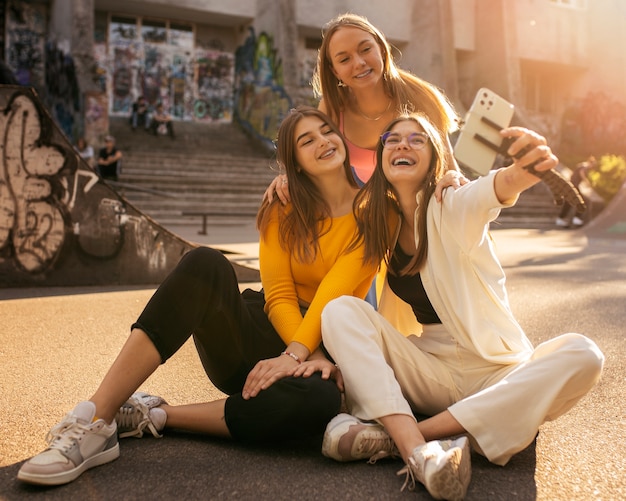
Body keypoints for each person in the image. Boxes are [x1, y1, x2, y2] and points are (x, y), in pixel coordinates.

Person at [17, 106, 379, 486]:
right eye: (307, 140)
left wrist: (305, 355)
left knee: (318, 402)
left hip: (321, 343)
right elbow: (279, 294)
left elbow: (332, 296)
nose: (323, 141)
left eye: (326, 131)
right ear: (295, 163)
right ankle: (96, 418)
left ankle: (154, 415)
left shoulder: (372, 213)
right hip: (265, 336)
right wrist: (296, 351)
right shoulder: (282, 206)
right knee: (205, 262)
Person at [317, 113, 605, 500]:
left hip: (495, 374)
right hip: (430, 369)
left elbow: (499, 186)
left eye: (417, 139)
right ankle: (428, 447)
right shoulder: (380, 226)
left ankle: (403, 440)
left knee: (583, 353)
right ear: (382, 157)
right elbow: (331, 194)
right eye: (393, 139)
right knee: (340, 310)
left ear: (435, 157)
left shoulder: (451, 202)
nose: (402, 144)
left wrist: (525, 168)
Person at [266, 12, 463, 204]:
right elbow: (316, 161)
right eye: (344, 59)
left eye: (365, 49)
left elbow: (449, 168)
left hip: (427, 212)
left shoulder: (420, 97)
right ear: (335, 71)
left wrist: (458, 189)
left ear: (381, 49)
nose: (359, 63)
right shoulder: (332, 107)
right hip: (376, 218)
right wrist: (289, 178)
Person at [555, 156, 595, 228]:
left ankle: (561, 219)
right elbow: (581, 172)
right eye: (592, 166)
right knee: (582, 201)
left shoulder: (580, 165)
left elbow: (573, 174)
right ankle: (576, 219)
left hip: (570, 186)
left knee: (569, 203)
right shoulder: (585, 166)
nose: (591, 168)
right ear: (591, 163)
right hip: (574, 186)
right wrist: (587, 181)